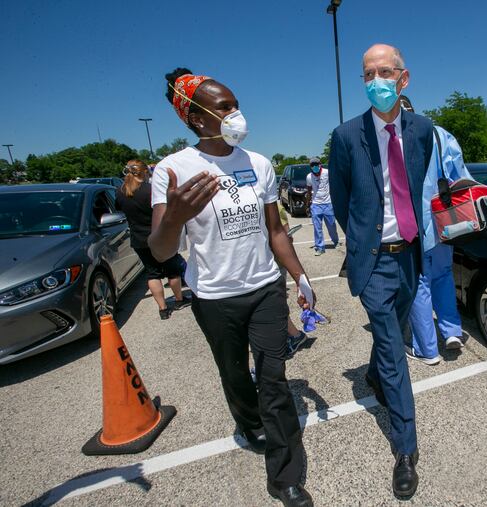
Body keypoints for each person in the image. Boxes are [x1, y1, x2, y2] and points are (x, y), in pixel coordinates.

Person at [148, 68, 314, 507]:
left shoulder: (258, 163)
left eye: (235, 104)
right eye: (224, 107)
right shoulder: (172, 170)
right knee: (235, 374)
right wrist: (176, 216)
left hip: (265, 290)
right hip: (215, 299)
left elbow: (276, 230)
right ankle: (247, 420)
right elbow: (161, 250)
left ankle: (285, 477)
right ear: (197, 118)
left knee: (275, 382)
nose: (235, 113)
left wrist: (300, 275)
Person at [328, 44, 433, 500]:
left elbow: (425, 181)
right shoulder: (347, 136)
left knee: (393, 331)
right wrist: (359, 244)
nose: (376, 80)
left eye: (384, 71)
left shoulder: (423, 129)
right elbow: (340, 199)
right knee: (394, 350)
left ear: (403, 78)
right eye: (368, 73)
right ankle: (406, 451)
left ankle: (372, 373)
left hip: (410, 254)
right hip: (373, 262)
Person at [399, 96, 469, 366]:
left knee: (419, 285)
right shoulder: (440, 135)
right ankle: (451, 332)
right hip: (444, 222)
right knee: (443, 277)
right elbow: (460, 177)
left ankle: (426, 349)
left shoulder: (394, 140)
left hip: (412, 226)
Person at [115, 159, 188, 320]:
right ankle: (178, 300)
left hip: (138, 239)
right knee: (173, 270)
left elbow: (119, 208)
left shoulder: (120, 191)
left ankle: (162, 309)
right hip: (159, 236)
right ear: (144, 172)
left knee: (152, 274)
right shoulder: (150, 190)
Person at [278, 201, 308, 356]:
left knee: (276, 302)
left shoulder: (274, 207)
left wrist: (299, 279)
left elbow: (286, 236)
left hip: (274, 263)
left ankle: (295, 335)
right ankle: (294, 334)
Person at [305, 157, 340, 256]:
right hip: (316, 205)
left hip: (328, 203)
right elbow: (309, 191)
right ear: (310, 167)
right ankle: (320, 247)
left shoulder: (327, 172)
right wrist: (308, 205)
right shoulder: (309, 177)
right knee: (317, 227)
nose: (315, 166)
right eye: (312, 165)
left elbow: (335, 185)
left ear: (320, 164)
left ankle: (336, 241)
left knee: (332, 225)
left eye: (316, 164)